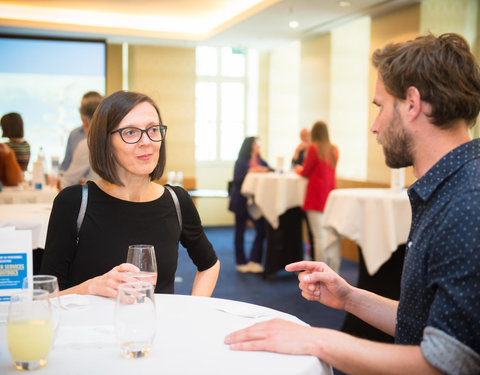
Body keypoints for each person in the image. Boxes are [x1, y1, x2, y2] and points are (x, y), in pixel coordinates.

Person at [225, 33, 480, 375]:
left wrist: (314, 340)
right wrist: (349, 298)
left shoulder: (467, 202)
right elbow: (422, 323)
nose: (375, 127)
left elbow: (445, 364)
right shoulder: (452, 186)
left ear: (412, 103)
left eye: (380, 106)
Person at [40, 90, 220, 298]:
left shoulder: (177, 201)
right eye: (131, 132)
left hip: (159, 329)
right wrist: (91, 288)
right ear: (105, 142)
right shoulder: (74, 203)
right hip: (91, 329)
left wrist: (193, 310)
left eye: (153, 129)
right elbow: (47, 296)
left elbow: (210, 265)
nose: (146, 142)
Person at [295, 121, 338, 270]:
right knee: (329, 237)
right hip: (330, 195)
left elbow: (305, 171)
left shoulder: (313, 149)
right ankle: (331, 269)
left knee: (319, 237)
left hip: (315, 196)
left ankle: (320, 270)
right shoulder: (334, 150)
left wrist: (297, 169)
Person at [228, 137, 271, 273]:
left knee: (261, 230)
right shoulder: (241, 161)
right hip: (241, 201)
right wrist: (251, 172)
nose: (259, 145)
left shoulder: (260, 160)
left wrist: (263, 169)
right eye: (257, 143)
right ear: (250, 145)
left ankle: (255, 260)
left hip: (256, 202)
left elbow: (270, 169)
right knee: (240, 231)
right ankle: (241, 262)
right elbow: (237, 179)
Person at [58, 93, 103, 189]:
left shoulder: (88, 144)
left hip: (94, 201)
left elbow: (67, 183)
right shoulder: (116, 140)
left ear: (84, 120)